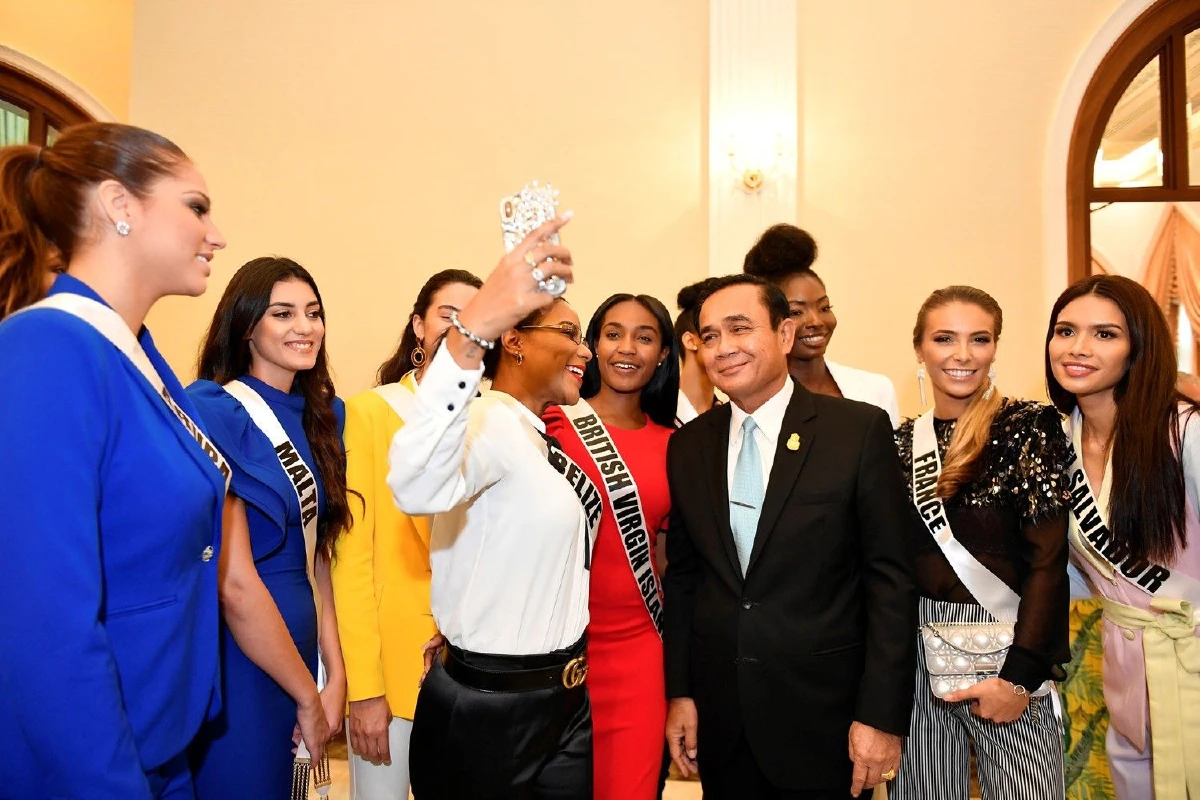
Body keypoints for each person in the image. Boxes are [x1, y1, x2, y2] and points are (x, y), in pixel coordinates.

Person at [0, 123, 229, 797]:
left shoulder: (137, 355)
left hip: (160, 740)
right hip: (91, 761)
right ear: (119, 205)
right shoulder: (45, 349)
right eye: (196, 207)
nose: (215, 235)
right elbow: (46, 626)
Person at [663, 274, 916, 800]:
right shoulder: (689, 446)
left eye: (739, 328)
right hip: (723, 718)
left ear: (784, 334)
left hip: (826, 721)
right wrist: (681, 693)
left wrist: (880, 716)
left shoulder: (856, 431)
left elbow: (890, 582)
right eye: (709, 336)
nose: (723, 348)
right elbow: (686, 580)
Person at [387, 215, 599, 799]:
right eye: (569, 332)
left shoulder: (537, 437)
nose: (584, 350)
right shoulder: (484, 423)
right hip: (492, 711)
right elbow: (415, 485)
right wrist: (470, 333)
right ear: (514, 339)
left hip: (565, 699)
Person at [890, 286, 1070, 800]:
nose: (963, 355)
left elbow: (1048, 561)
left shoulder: (1028, 426)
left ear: (995, 348)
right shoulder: (898, 442)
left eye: (980, 339)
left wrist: (1019, 677)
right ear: (920, 348)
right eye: (945, 339)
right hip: (915, 656)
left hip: (1009, 648)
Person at [187, 257, 349, 797]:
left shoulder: (326, 416)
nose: (305, 327)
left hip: (305, 651)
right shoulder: (213, 411)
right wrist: (306, 695)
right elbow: (232, 585)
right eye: (283, 314)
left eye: (313, 312)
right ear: (246, 326)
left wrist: (334, 673)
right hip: (244, 657)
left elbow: (319, 557)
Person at [1047, 274, 1200, 799]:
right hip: (1127, 668)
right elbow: (1078, 575)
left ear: (1139, 347)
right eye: (1065, 330)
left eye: (1105, 334)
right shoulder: (1056, 441)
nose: (1078, 347)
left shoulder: (1184, 432)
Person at [332, 268, 482, 798]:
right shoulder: (370, 412)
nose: (459, 329)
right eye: (447, 315)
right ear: (418, 325)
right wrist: (364, 689)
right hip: (393, 670)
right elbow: (350, 560)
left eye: (473, 319)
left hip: (473, 671)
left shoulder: (490, 419)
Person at [543, 292, 678, 800]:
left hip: (639, 651)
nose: (627, 348)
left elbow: (668, 559)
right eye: (613, 334)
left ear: (662, 354)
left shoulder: (674, 444)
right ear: (593, 345)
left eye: (645, 337)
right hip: (556, 648)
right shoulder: (553, 424)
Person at [743, 224, 899, 426]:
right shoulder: (754, 399)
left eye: (824, 308)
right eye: (796, 312)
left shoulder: (876, 390)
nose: (816, 321)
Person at [674, 279, 720, 426]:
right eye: (712, 336)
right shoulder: (655, 415)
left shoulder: (729, 416)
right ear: (690, 341)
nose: (727, 346)